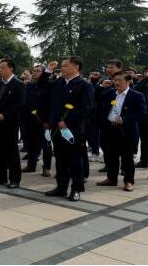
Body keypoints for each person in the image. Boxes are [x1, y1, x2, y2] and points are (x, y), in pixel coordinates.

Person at [44, 56, 94, 202]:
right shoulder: (58, 82)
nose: (62, 68)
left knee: (75, 161)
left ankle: (76, 189)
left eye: (66, 65)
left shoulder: (84, 85)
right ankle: (61, 187)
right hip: (56, 127)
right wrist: (48, 71)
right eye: (62, 66)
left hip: (73, 129)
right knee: (60, 159)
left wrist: (67, 121)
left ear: (76, 67)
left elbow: (87, 108)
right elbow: (42, 85)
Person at [96, 71, 146, 191]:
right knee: (110, 156)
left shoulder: (136, 95)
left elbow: (142, 113)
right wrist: (101, 85)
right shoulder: (110, 93)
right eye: (115, 80)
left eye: (120, 80)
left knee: (127, 157)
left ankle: (128, 181)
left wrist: (124, 119)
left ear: (128, 82)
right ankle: (111, 178)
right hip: (109, 129)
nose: (117, 83)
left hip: (126, 130)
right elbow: (97, 96)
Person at [0, 57, 25, 189]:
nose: (0, 70)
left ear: (11, 69)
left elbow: (20, 104)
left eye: (3, 68)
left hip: (10, 122)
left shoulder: (17, 84)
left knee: (11, 150)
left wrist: (4, 114)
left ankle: (14, 179)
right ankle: (1, 176)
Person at [133, 65, 148, 168]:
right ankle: (144, 161)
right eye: (146, 71)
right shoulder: (141, 83)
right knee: (144, 141)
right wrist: (146, 79)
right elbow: (135, 90)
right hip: (144, 117)